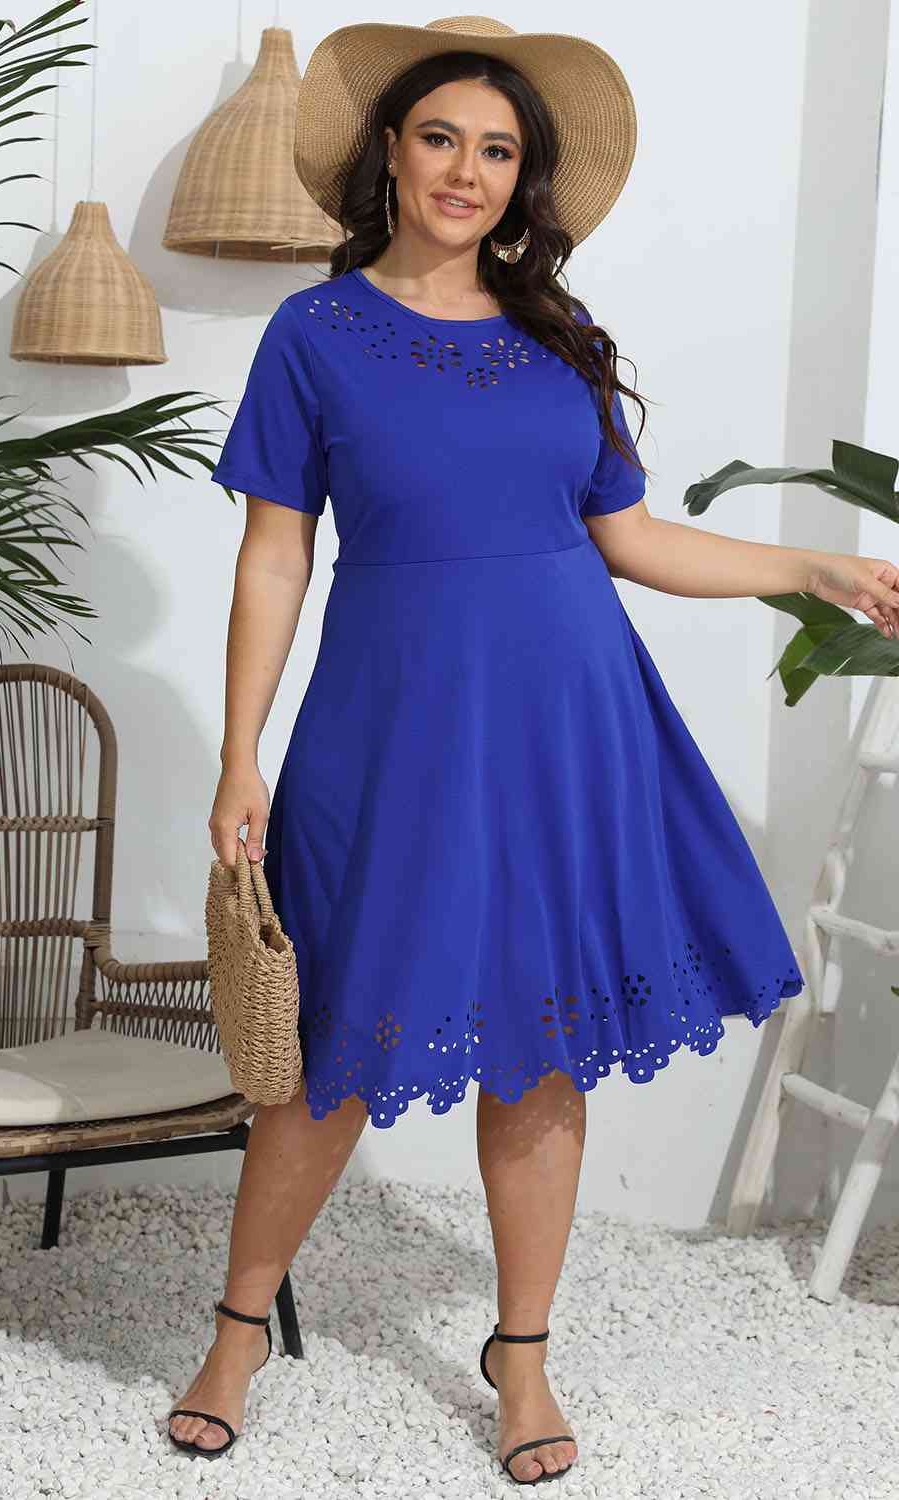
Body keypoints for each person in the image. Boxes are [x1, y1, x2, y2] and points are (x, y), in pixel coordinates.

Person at [167, 15, 899, 1485]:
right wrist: (241, 753)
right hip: (390, 729)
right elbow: (272, 557)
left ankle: (523, 1358)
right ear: (390, 152)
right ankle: (236, 1335)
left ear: (523, 178)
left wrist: (813, 568)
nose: (467, 170)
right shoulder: (315, 335)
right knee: (331, 1050)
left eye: (498, 150)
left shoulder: (565, 342)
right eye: (441, 137)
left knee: (543, 1047)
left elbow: (630, 540)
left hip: (568, 724)